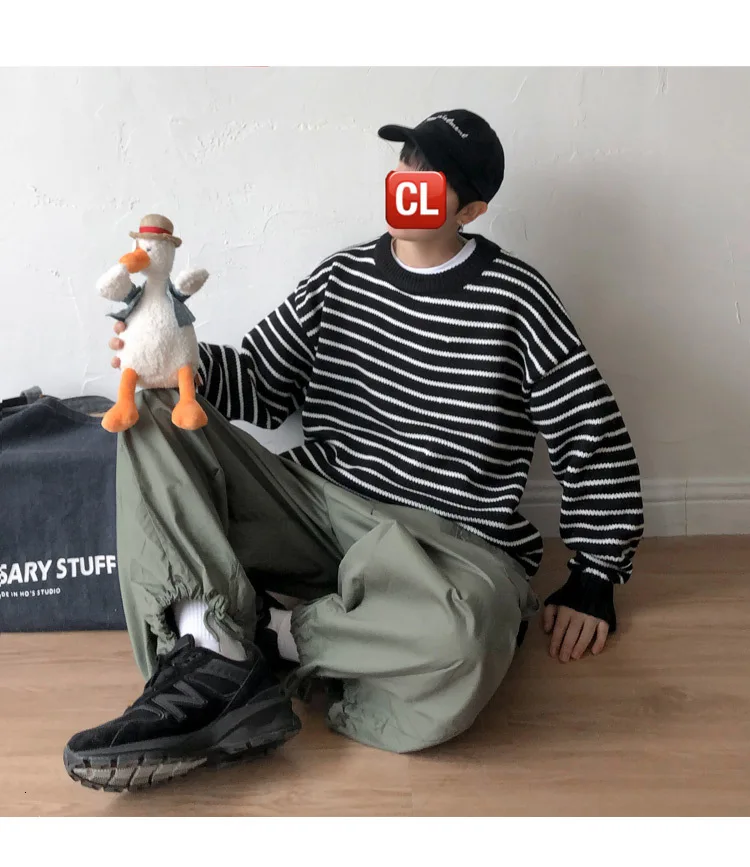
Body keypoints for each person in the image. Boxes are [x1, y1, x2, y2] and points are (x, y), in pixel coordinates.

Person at [64, 109, 644, 793]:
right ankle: (211, 648)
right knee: (150, 413)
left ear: (472, 210)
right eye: (404, 170)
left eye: (430, 181)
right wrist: (176, 359)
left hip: (449, 543)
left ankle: (266, 637)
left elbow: (589, 428)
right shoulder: (341, 276)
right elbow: (263, 382)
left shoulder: (518, 298)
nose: (407, 186)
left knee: (464, 638)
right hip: (319, 508)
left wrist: (595, 575)